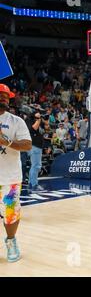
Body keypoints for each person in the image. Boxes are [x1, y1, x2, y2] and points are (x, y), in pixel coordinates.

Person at [0, 83, 32, 262]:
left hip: (10, 178)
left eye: (6, 96)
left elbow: (27, 145)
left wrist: (6, 142)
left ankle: (11, 242)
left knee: (11, 214)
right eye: (0, 95)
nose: (4, 98)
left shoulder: (16, 121)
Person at [26, 110, 45, 192]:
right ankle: (34, 185)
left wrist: (43, 120)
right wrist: (38, 120)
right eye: (38, 115)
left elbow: (45, 129)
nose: (40, 116)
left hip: (37, 146)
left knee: (34, 165)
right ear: (34, 115)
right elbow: (33, 128)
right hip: (34, 146)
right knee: (36, 165)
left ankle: (30, 184)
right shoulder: (30, 121)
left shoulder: (39, 122)